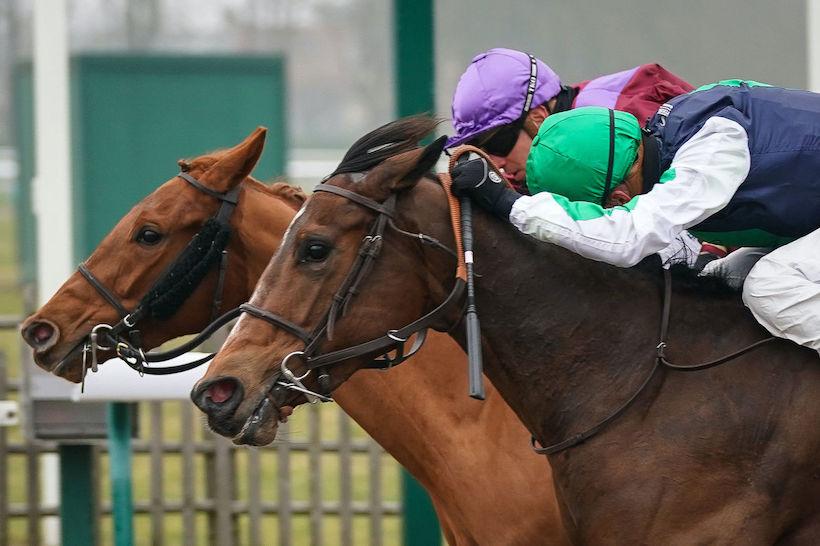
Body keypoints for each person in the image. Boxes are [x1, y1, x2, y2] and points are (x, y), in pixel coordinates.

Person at [450, 80, 820, 353]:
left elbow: (629, 237)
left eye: (608, 209)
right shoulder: (669, 138)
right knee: (719, 278)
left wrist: (508, 204)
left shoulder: (711, 150)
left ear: (618, 197)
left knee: (771, 286)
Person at [447, 48, 693, 192]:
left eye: (497, 144)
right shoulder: (559, 128)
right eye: (480, 150)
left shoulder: (618, 121)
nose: (495, 163)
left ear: (538, 117)